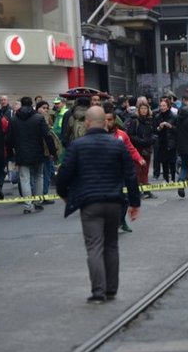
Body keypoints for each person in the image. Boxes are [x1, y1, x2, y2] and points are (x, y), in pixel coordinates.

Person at [56, 106, 140, 304]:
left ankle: (98, 291)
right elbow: (130, 174)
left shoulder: (77, 145)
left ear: (87, 122)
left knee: (94, 246)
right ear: (105, 122)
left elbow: (64, 173)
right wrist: (134, 202)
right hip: (114, 202)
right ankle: (111, 289)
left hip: (89, 202)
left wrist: (64, 195)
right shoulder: (117, 145)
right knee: (111, 245)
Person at [6, 97, 57, 214]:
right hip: (37, 152)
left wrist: (10, 154)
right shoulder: (38, 118)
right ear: (32, 104)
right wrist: (52, 152)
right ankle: (38, 202)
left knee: (24, 179)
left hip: (21, 153)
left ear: (22, 105)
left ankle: (28, 205)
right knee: (39, 176)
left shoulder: (14, 120)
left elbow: (9, 139)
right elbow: (47, 136)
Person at [103, 103, 145, 233]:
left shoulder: (122, 135)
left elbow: (131, 149)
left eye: (109, 120)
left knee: (123, 198)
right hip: (103, 173)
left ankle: (121, 221)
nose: (107, 122)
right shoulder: (96, 136)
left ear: (114, 120)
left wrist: (139, 159)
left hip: (119, 172)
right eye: (104, 119)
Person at [126, 103, 156, 199]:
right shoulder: (134, 120)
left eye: (145, 108)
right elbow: (130, 135)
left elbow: (152, 132)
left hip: (147, 149)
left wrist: (152, 139)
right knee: (137, 171)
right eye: (142, 108)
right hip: (138, 149)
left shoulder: (150, 120)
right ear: (139, 110)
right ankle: (137, 192)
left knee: (145, 170)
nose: (144, 110)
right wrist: (142, 141)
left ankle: (146, 190)